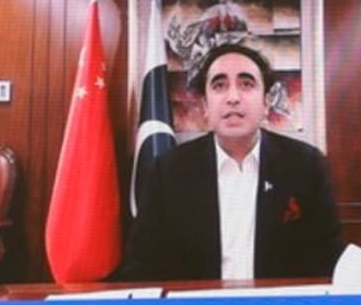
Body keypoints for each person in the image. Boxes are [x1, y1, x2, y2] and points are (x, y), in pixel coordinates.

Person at [121, 43, 343, 282]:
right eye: (219, 86)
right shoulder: (168, 172)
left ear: (266, 102)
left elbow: (328, 261)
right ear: (205, 106)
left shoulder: (306, 166)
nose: (233, 98)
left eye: (246, 84)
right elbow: (143, 266)